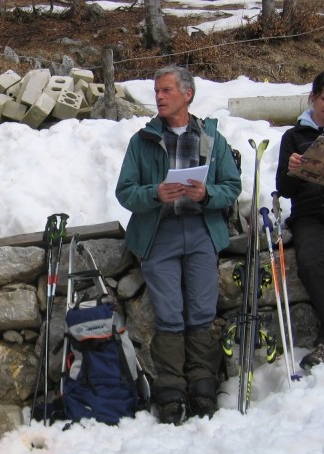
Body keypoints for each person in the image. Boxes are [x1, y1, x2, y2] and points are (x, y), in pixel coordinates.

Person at [115, 65, 242, 425]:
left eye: (167, 90)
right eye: (157, 91)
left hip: (201, 229)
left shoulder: (211, 138)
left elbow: (231, 187)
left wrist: (207, 194)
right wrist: (154, 193)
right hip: (160, 232)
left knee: (202, 310)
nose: (159, 97)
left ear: (187, 94)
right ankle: (171, 389)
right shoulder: (142, 141)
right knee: (169, 313)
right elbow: (125, 192)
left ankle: (203, 384)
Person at [275, 70, 324, 370]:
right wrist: (291, 168)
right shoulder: (293, 136)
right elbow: (285, 190)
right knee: (313, 264)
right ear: (312, 97)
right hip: (308, 213)